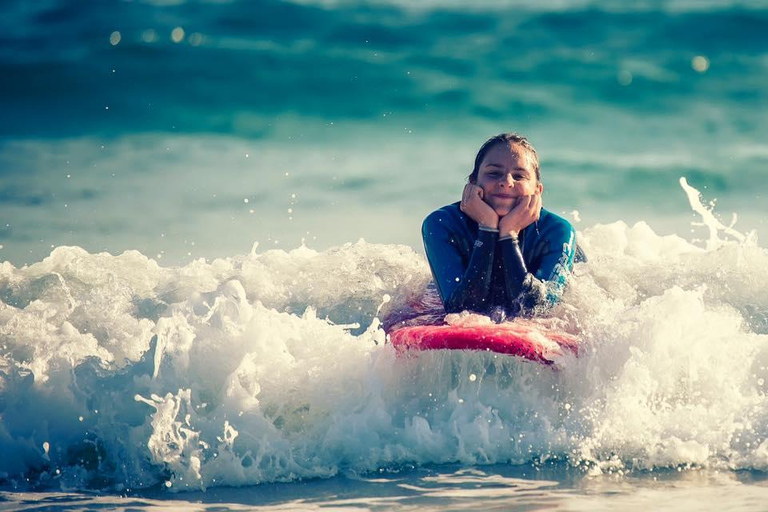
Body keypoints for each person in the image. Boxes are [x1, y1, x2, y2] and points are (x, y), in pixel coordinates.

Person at [422, 133, 584, 320]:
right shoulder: (442, 224)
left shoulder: (557, 232)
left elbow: (537, 310)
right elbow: (461, 309)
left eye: (519, 176)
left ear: (537, 191)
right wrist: (487, 228)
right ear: (473, 183)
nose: (506, 182)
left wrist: (509, 234)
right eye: (493, 173)